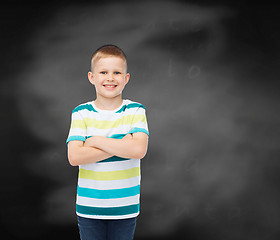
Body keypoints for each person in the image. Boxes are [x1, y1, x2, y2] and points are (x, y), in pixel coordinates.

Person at [66, 44, 149, 240]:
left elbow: (138, 150)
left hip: (125, 207)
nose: (110, 78)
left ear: (126, 78)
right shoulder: (81, 113)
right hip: (90, 207)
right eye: (103, 72)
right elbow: (75, 156)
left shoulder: (136, 111)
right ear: (92, 77)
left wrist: (94, 142)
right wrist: (122, 144)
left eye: (117, 72)